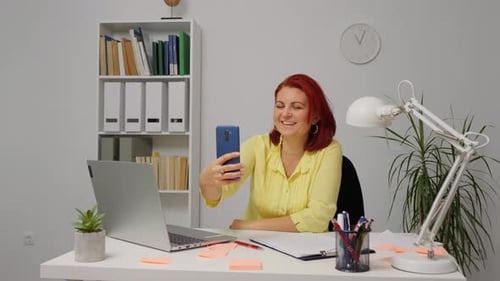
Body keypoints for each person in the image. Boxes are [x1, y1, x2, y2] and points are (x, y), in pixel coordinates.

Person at [199, 73, 342, 232]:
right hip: (258, 247)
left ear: (315, 116)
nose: (285, 113)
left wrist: (247, 226)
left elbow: (317, 218)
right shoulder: (258, 145)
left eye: (297, 107)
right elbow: (219, 193)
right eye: (280, 105)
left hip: (306, 250)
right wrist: (207, 181)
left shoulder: (330, 150)